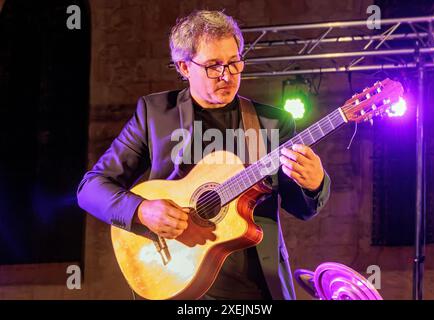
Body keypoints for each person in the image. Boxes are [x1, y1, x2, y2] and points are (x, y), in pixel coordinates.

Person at [77, 10, 330, 300]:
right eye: (213, 66)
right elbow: (91, 188)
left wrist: (315, 183)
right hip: (175, 282)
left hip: (255, 292)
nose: (227, 76)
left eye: (234, 63)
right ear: (184, 66)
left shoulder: (272, 122)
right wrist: (141, 210)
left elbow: (302, 208)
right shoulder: (155, 114)